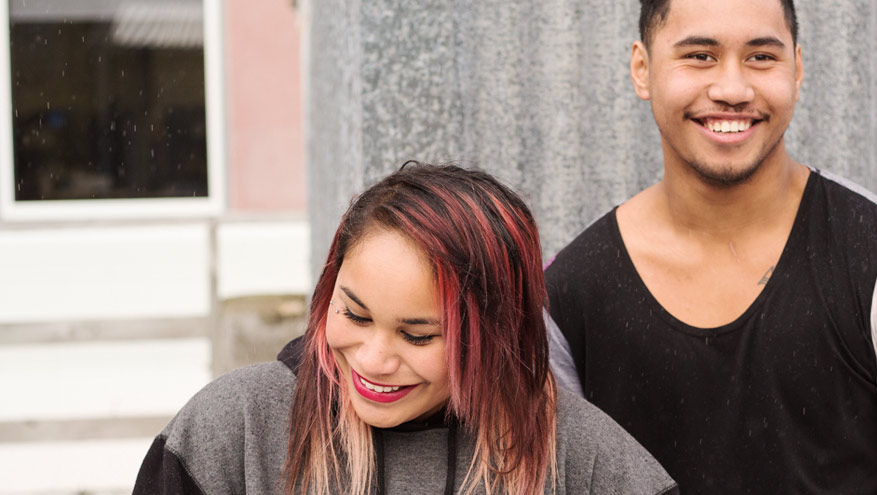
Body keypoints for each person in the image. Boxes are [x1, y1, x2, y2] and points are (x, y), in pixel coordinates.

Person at [543, 0, 877, 493]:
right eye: (699, 56)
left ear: (797, 69)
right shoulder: (567, 296)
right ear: (642, 69)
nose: (732, 89)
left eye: (761, 57)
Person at [135, 163, 677, 494]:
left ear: (497, 334)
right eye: (354, 314)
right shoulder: (233, 431)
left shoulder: (580, 457)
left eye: (417, 335)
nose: (372, 359)